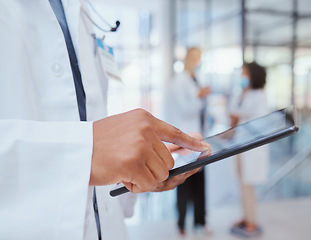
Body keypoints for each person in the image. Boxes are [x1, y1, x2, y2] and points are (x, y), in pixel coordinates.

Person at [0, 1, 210, 239]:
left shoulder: (82, 11)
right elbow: (87, 146)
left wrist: (128, 166)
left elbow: (90, 115)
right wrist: (84, 153)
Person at [164, 47, 212, 236]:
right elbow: (184, 108)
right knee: (183, 181)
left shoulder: (197, 79)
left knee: (200, 181)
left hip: (199, 138)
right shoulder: (179, 81)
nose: (199, 61)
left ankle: (201, 221)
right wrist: (199, 96)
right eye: (197, 57)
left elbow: (202, 109)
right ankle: (182, 223)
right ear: (189, 59)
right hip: (185, 139)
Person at [229, 62, 270, 238]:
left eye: (245, 73)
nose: (242, 76)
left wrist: (240, 114)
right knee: (242, 185)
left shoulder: (259, 96)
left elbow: (259, 122)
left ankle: (252, 221)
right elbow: (232, 114)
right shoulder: (243, 94)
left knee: (248, 186)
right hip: (240, 146)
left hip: (251, 148)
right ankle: (246, 218)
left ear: (252, 75)